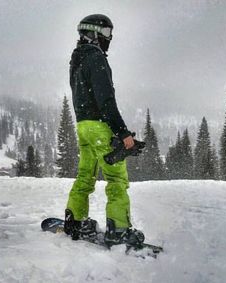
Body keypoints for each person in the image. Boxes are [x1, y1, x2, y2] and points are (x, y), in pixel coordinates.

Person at [64, 14, 144, 247]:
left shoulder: (76, 59)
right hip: (100, 127)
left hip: (82, 126)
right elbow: (106, 101)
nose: (109, 39)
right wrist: (123, 133)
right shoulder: (96, 59)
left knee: (85, 175)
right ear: (95, 34)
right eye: (107, 33)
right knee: (116, 178)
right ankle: (118, 229)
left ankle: (75, 220)